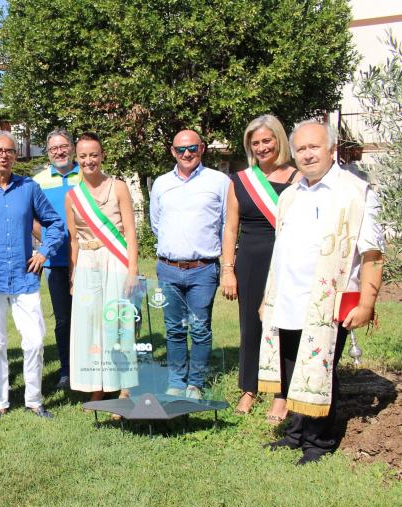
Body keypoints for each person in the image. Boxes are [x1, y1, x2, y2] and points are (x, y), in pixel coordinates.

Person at [259, 120, 384, 465]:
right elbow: (281, 251)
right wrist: (267, 299)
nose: (307, 154)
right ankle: (296, 433)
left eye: (314, 147)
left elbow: (373, 253)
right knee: (291, 368)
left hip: (328, 302)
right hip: (287, 298)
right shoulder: (291, 195)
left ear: (331, 150)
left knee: (319, 369)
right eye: (300, 149)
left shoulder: (355, 191)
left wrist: (368, 303)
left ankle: (319, 443)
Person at [0, 130, 66, 423]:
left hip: (24, 277)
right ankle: (0, 403)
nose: (4, 155)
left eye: (10, 151)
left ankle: (33, 400)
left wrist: (44, 251)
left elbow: (54, 223)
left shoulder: (29, 188)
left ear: (16, 156)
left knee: (34, 340)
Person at [220, 116, 300, 417]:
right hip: (250, 259)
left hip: (286, 258)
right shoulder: (240, 180)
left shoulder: (298, 178)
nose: (262, 147)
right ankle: (249, 388)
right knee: (250, 326)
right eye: (256, 142)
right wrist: (228, 269)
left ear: (278, 140)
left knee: (285, 325)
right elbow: (230, 228)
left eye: (267, 140)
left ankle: (282, 393)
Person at [150, 130, 231, 399]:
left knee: (199, 327)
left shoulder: (219, 182)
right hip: (168, 268)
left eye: (193, 148)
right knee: (173, 328)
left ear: (203, 149)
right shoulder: (161, 184)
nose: (187, 154)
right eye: (181, 149)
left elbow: (227, 224)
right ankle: (176, 381)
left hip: (203, 269)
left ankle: (195, 383)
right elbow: (156, 224)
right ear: (173, 151)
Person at [65, 132, 139, 400]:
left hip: (115, 258)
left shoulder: (118, 186)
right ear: (77, 158)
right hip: (86, 262)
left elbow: (130, 232)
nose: (89, 160)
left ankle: (125, 385)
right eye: (83, 156)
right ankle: (97, 386)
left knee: (118, 321)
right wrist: (72, 276)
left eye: (93, 154)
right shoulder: (73, 196)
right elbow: (73, 239)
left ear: (102, 155)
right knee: (90, 325)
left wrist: (132, 270)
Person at [33, 129, 81, 390]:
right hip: (56, 262)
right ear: (48, 152)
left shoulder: (86, 174)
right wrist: (53, 243)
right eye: (54, 149)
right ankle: (66, 369)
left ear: (72, 149)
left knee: (89, 316)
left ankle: (91, 366)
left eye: (64, 147)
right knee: (63, 319)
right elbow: (32, 218)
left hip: (87, 260)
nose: (59, 152)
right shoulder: (38, 180)